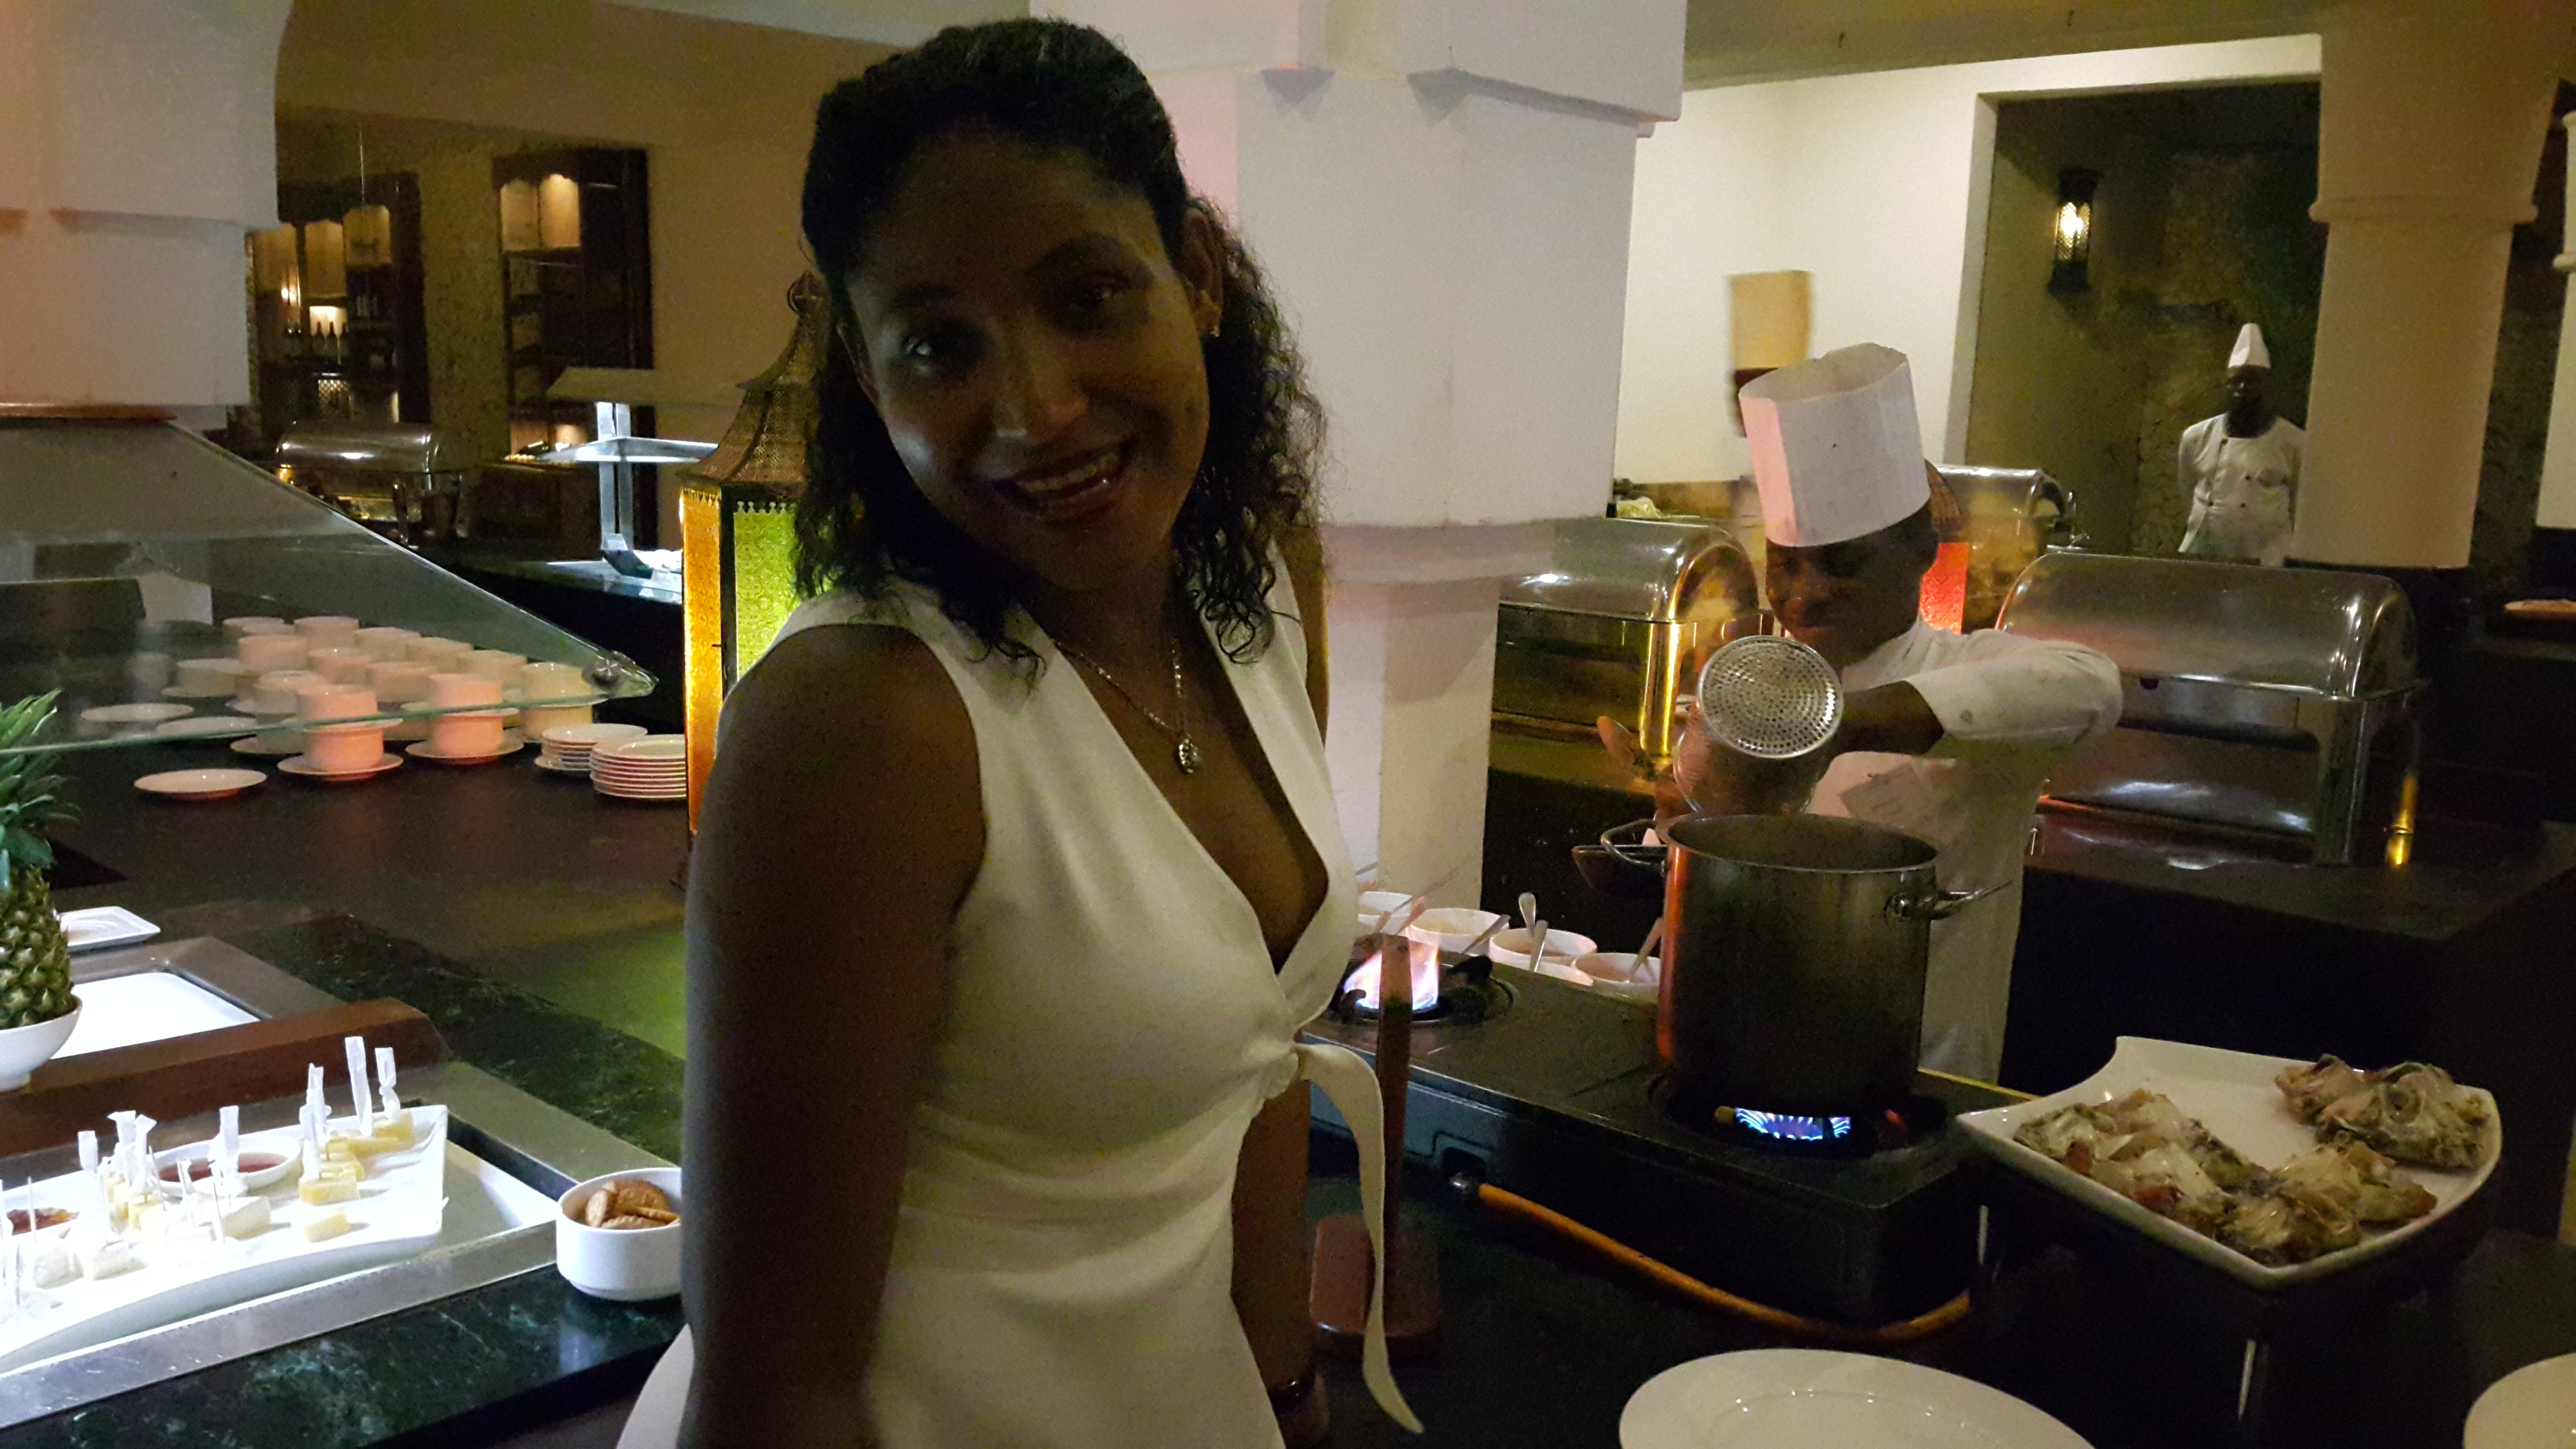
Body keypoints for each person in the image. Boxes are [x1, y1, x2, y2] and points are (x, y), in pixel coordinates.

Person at [674, 20, 1414, 1449]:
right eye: (940, 345)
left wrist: (1284, 1392)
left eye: (1087, 297)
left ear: (1195, 274)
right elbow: (772, 1381)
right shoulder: (865, 723)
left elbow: (1260, 1072)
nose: (1035, 409)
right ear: (866, 374)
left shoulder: (1254, 588)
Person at [1676, 344, 2123, 1081]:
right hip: (1739, 1058)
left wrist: (1838, 724)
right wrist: (1675, 829)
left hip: (1917, 1081)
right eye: (1785, 563)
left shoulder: (1966, 667)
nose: (1803, 593)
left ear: (1919, 550)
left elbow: (2093, 687)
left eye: (1843, 563)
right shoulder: (1759, 691)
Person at [2178, 322, 2303, 566]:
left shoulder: (2294, 442)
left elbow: (2299, 507)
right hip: (2202, 557)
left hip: (2267, 561)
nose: (2243, 389)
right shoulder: (2196, 437)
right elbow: (2187, 489)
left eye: (2253, 381)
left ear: (2268, 386)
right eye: (2236, 381)